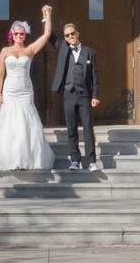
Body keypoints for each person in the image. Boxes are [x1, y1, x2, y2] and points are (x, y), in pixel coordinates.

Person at [0, 5, 56, 172]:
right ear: (12, 35)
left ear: (25, 35)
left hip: (26, 91)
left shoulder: (30, 50)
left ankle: (26, 159)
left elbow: (47, 35)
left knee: (26, 124)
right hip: (9, 91)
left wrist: (47, 15)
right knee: (10, 123)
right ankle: (9, 158)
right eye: (17, 33)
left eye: (22, 33)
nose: (19, 36)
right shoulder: (5, 51)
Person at [50, 23, 100, 171]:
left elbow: (95, 77)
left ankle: (91, 161)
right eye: (67, 35)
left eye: (72, 33)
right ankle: (75, 160)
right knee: (71, 128)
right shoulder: (63, 50)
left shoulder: (90, 52)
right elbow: (51, 37)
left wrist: (95, 95)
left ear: (77, 33)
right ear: (64, 38)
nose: (70, 37)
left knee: (87, 128)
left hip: (84, 95)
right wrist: (47, 17)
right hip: (69, 94)